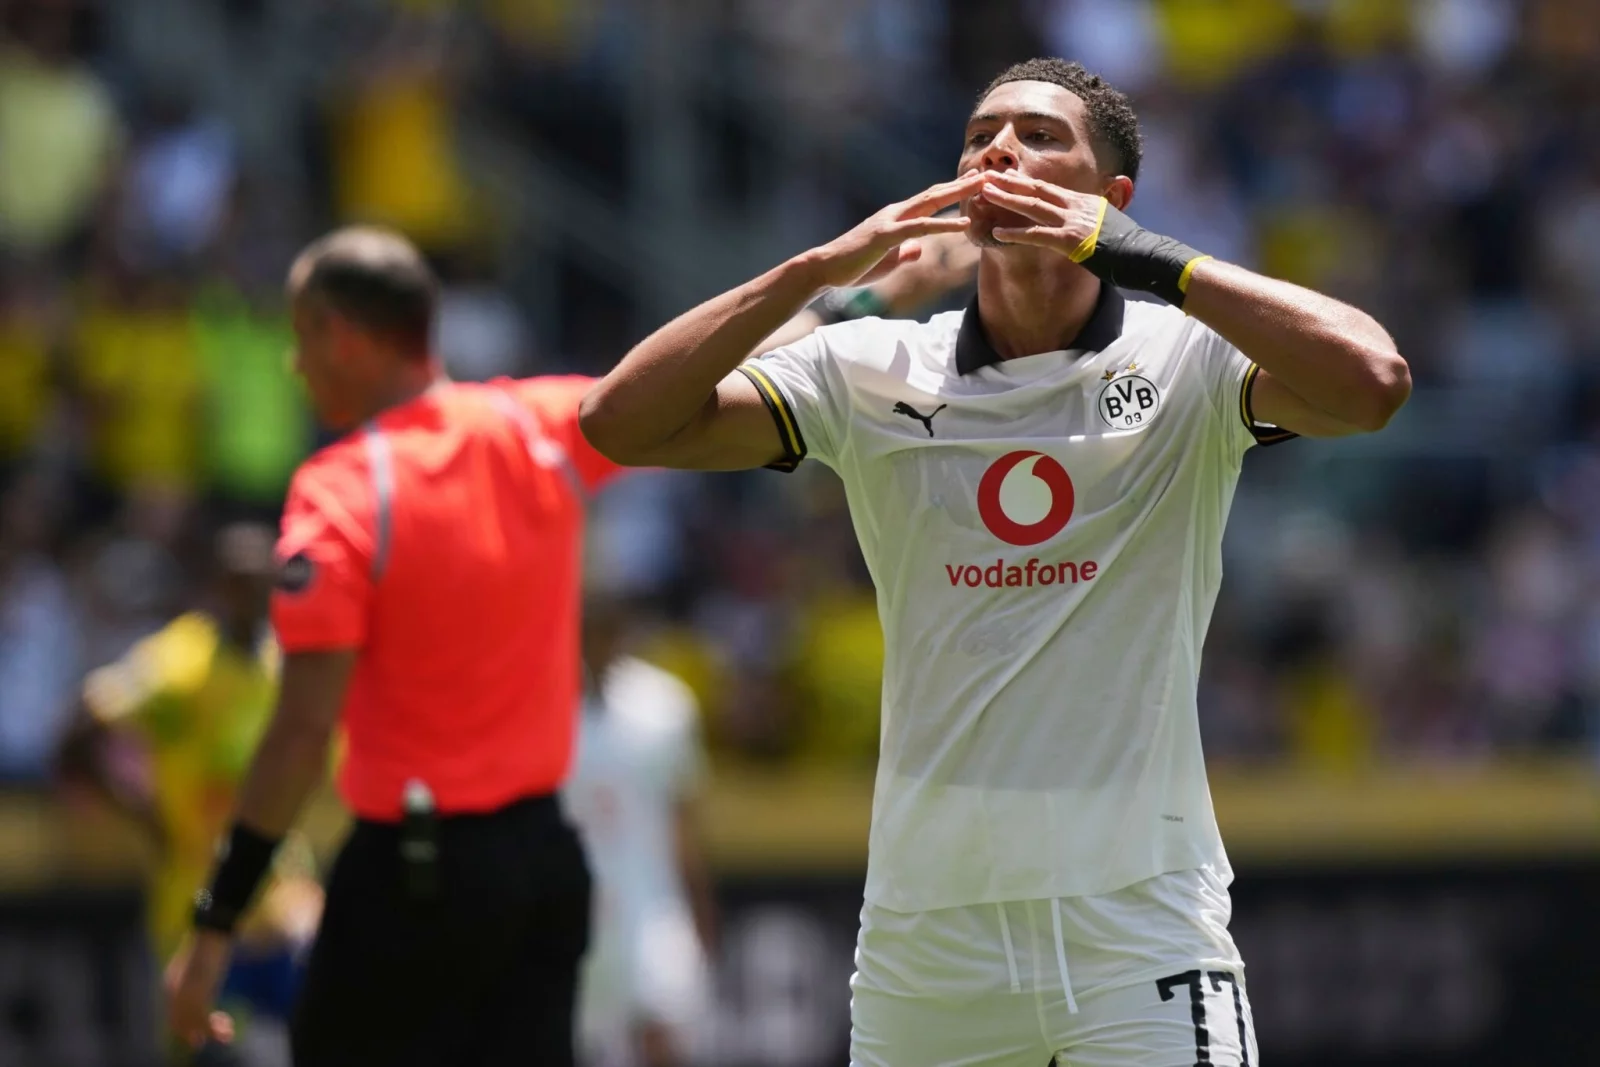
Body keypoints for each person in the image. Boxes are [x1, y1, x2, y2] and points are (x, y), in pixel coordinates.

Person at [579, 57, 1411, 1067]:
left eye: (1039, 136)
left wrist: (1142, 257)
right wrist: (821, 276)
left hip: (1137, 930)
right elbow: (620, 422)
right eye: (980, 137)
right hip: (927, 948)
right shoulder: (875, 367)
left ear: (1111, 198)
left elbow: (1372, 381)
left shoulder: (1185, 357)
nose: (999, 151)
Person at [164, 226, 620, 1066]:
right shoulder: (542, 422)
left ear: (343, 336)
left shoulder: (341, 488)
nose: (295, 364)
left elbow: (301, 733)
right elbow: (688, 378)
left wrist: (215, 918)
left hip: (414, 885)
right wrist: (838, 306)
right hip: (543, 866)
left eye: (302, 338)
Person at [63, 522, 323, 1062]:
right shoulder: (179, 665)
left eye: (259, 580)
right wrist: (145, 816)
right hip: (199, 896)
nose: (250, 594)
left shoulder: (285, 665)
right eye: (237, 581)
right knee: (210, 1050)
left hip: (277, 892)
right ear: (217, 585)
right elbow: (80, 733)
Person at [565, 594, 716, 1067]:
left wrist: (702, 917)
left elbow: (682, 825)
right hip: (570, 916)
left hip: (651, 910)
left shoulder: (664, 708)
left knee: (665, 1040)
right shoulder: (536, 710)